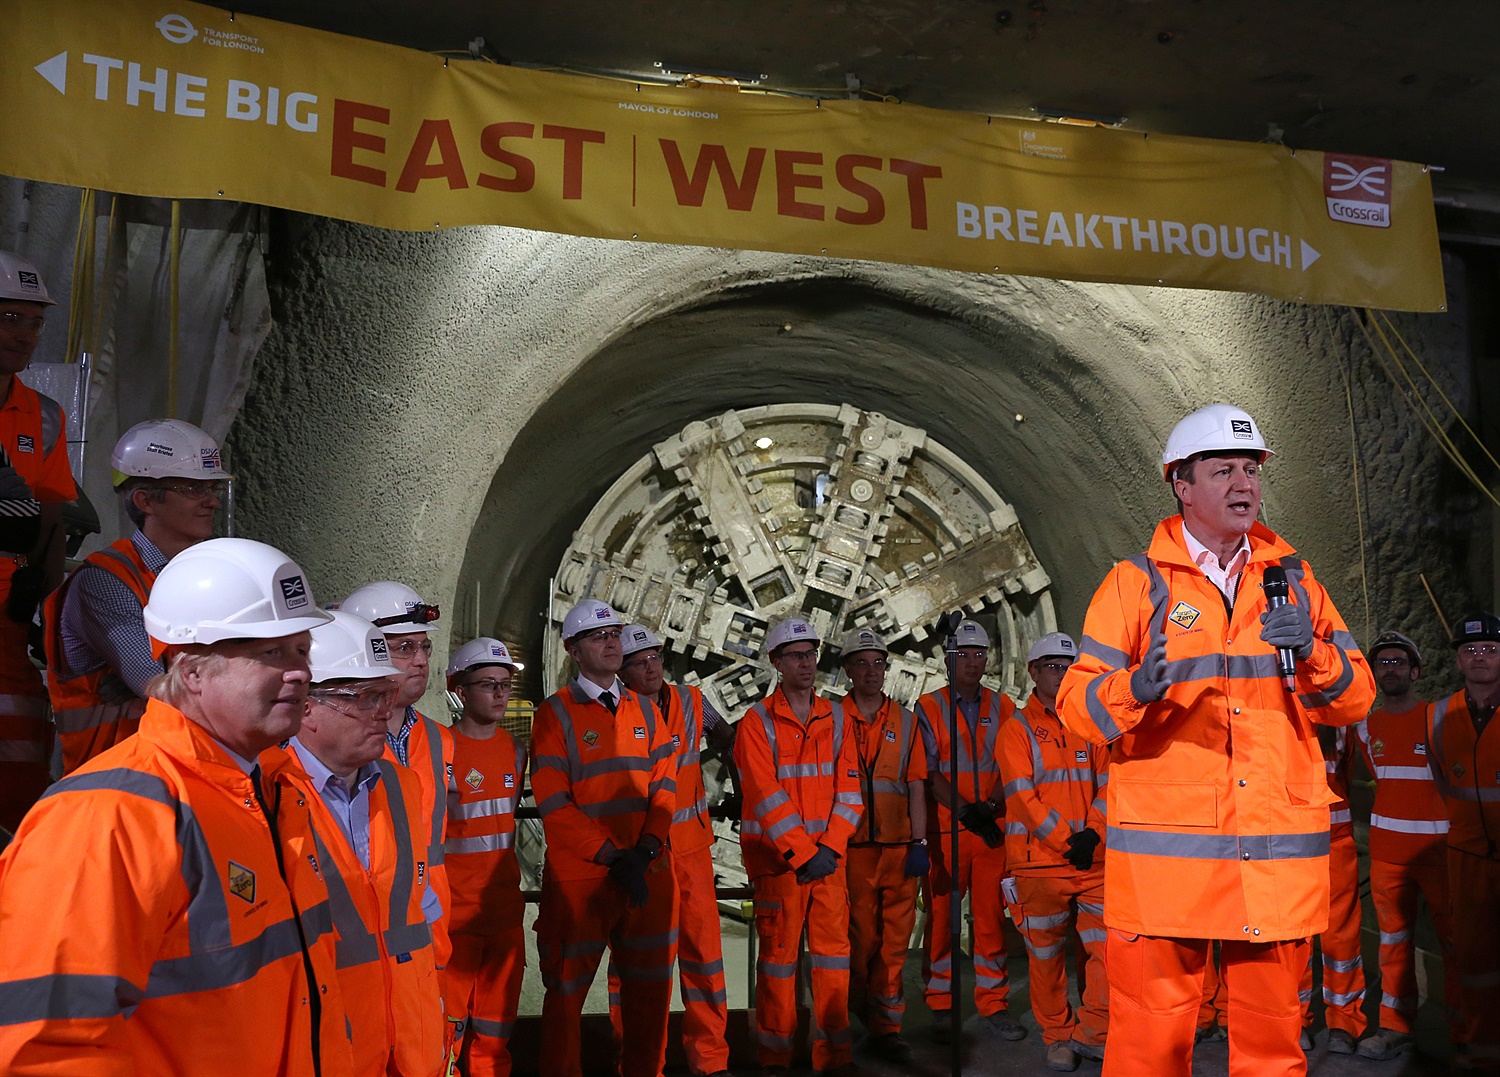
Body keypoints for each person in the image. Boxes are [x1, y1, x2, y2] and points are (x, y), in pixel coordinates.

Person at [1057, 403, 1374, 1077]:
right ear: (1182, 483)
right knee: (1147, 1052)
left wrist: (1315, 653)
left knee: (1271, 1052)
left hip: (1270, 866)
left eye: (1251, 468)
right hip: (1165, 873)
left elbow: (1356, 698)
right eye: (1223, 468)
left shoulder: (1294, 580)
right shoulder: (1134, 585)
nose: (1244, 483)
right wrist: (1134, 690)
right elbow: (1076, 710)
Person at [0, 536, 354, 1073]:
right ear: (191, 672)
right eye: (269, 652)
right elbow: (48, 1049)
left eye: (302, 649)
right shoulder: (108, 818)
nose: (300, 670)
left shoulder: (275, 792)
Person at [282, 609, 446, 1077]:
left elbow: (421, 912)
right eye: (365, 697)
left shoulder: (401, 785)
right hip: (330, 1051)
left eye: (386, 695)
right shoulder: (270, 795)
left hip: (411, 1050)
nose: (384, 711)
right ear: (306, 705)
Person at [531, 599, 678, 1077]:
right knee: (567, 995)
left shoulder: (645, 709)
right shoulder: (554, 716)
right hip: (583, 879)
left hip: (646, 873)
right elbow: (554, 804)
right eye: (598, 637)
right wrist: (616, 856)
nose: (612, 642)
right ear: (574, 650)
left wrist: (648, 849)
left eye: (614, 633)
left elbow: (665, 786)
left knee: (649, 993)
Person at [43, 418, 228, 774]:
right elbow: (162, 690)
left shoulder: (210, 574)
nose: (211, 502)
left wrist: (177, 669)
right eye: (193, 489)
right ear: (145, 500)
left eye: (214, 488)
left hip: (183, 770)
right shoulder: (108, 580)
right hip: (111, 781)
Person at [734, 617, 862, 1077]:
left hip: (826, 864)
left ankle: (835, 1057)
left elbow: (850, 791)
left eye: (809, 654)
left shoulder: (838, 716)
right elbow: (766, 796)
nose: (805, 663)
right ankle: (775, 1060)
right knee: (778, 966)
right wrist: (807, 854)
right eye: (794, 655)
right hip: (782, 866)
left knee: (833, 963)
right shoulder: (757, 722)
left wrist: (827, 848)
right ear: (776, 663)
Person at [611, 623, 733, 1077]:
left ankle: (711, 1059)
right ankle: (641, 1063)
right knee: (642, 965)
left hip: (693, 850)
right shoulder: (615, 712)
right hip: (646, 857)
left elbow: (728, 739)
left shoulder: (691, 702)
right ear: (622, 671)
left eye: (656, 657)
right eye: (640, 662)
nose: (652, 667)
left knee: (703, 954)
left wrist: (733, 781)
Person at [999, 632, 1108, 1071]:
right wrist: (1070, 841)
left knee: (1107, 953)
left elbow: (1108, 785)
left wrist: (1093, 835)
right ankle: (1058, 1035)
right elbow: (1024, 798)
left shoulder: (1091, 725)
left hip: (1093, 862)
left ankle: (1095, 1033)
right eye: (1052, 667)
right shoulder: (1017, 729)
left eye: (1068, 668)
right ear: (1033, 672)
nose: (1061, 675)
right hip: (1040, 864)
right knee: (1045, 959)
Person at [914, 618, 1022, 1041]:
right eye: (965, 655)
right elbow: (928, 770)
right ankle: (940, 1001)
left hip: (990, 832)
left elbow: (1012, 763)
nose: (973, 663)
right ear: (948, 658)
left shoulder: (1004, 707)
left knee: (990, 918)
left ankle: (993, 1002)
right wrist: (965, 811)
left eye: (980, 655)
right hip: (949, 832)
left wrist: (991, 807)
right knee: (942, 918)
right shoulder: (929, 707)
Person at [0, 251, 77, 832]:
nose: (24, 335)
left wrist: (45, 619)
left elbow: (52, 522)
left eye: (33, 322)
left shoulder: (44, 416)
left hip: (9, 616)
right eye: (9, 318)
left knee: (22, 760)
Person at [1352, 630, 1456, 1060]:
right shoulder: (1364, 728)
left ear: (1415, 672)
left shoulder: (1438, 720)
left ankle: (1469, 1034)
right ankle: (1395, 1028)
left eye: (1398, 662)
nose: (1390, 668)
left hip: (1439, 855)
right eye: (1383, 663)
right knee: (1393, 942)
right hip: (1387, 855)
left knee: (1457, 944)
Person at [341, 580, 455, 968]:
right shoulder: (339, 746)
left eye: (424, 646)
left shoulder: (440, 740)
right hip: (366, 936)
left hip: (432, 928)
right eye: (404, 647)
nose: (421, 659)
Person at [837, 627, 927, 1063]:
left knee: (894, 944)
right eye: (861, 663)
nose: (871, 672)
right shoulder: (832, 720)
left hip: (897, 848)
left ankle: (887, 1029)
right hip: (853, 848)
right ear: (848, 671)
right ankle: (854, 1013)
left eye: (878, 663)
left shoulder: (906, 722)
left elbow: (915, 785)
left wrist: (920, 841)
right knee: (858, 941)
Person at [443, 636, 528, 1077]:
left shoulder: (516, 750)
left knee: (496, 1036)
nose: (499, 693)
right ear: (460, 689)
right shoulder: (440, 751)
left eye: (505, 684)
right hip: (456, 918)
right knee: (446, 1031)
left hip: (502, 914)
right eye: (487, 684)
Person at [1426, 612, 1500, 1073]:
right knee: (1475, 963)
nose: (1480, 658)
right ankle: (1482, 1054)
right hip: (1467, 857)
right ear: (1457, 661)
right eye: (1470, 650)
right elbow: (1441, 784)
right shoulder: (1439, 715)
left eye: (1491, 649)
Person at [1299, 725, 1366, 1053]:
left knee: (1341, 934)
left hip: (1335, 839)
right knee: (1293, 936)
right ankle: (1293, 1020)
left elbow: (1347, 773)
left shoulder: (1340, 720)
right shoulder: (1275, 710)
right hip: (1290, 843)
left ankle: (1344, 1021)